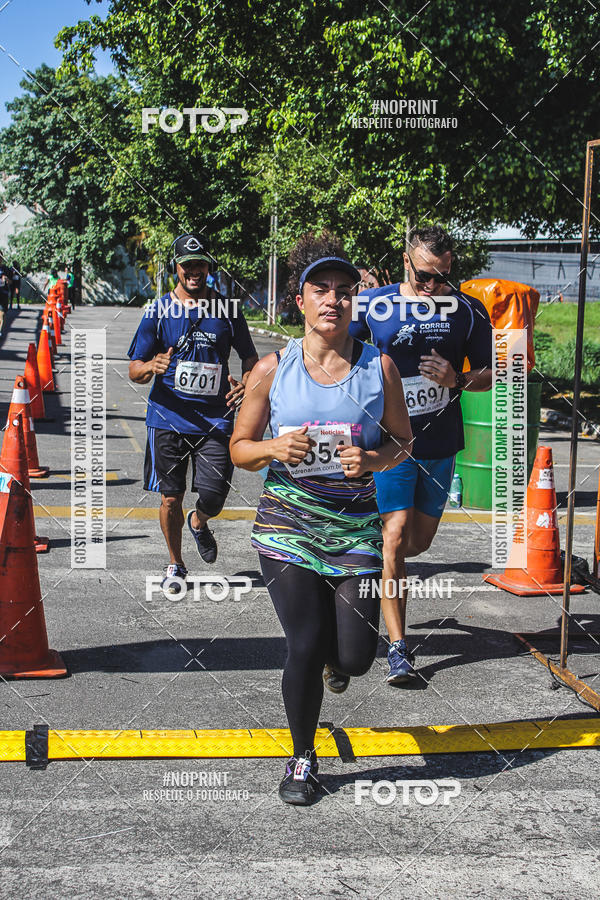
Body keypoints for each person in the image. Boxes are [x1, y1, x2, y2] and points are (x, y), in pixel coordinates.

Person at [230, 256, 412, 805]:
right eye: (320, 290)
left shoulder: (379, 369)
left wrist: (372, 460)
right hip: (288, 523)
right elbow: (240, 448)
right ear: (300, 301)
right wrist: (271, 448)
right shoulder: (272, 368)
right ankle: (303, 759)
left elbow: (403, 443)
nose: (332, 300)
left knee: (356, 657)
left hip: (354, 528)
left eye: (342, 291)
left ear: (354, 301)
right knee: (304, 643)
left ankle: (339, 661)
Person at [349, 225, 492, 684]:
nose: (435, 287)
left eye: (444, 277)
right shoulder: (374, 306)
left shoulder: (467, 310)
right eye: (426, 276)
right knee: (394, 539)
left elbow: (493, 372)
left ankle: (377, 569)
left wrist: (459, 379)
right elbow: (336, 353)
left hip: (438, 442)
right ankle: (397, 648)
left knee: (417, 543)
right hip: (389, 443)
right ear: (405, 262)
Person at [128, 233, 258, 591]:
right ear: (177, 269)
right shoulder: (157, 311)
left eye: (200, 264)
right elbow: (134, 369)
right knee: (170, 496)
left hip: (215, 420)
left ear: (208, 267)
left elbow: (250, 356)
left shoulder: (228, 310)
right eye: (187, 266)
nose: (194, 272)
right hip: (167, 417)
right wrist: (151, 365)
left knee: (215, 495)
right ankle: (176, 563)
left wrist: (247, 381)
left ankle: (199, 521)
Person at [0, 255, 11, 337]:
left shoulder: (6, 269)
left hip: (3, 294)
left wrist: (7, 280)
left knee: (2, 314)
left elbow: (11, 282)